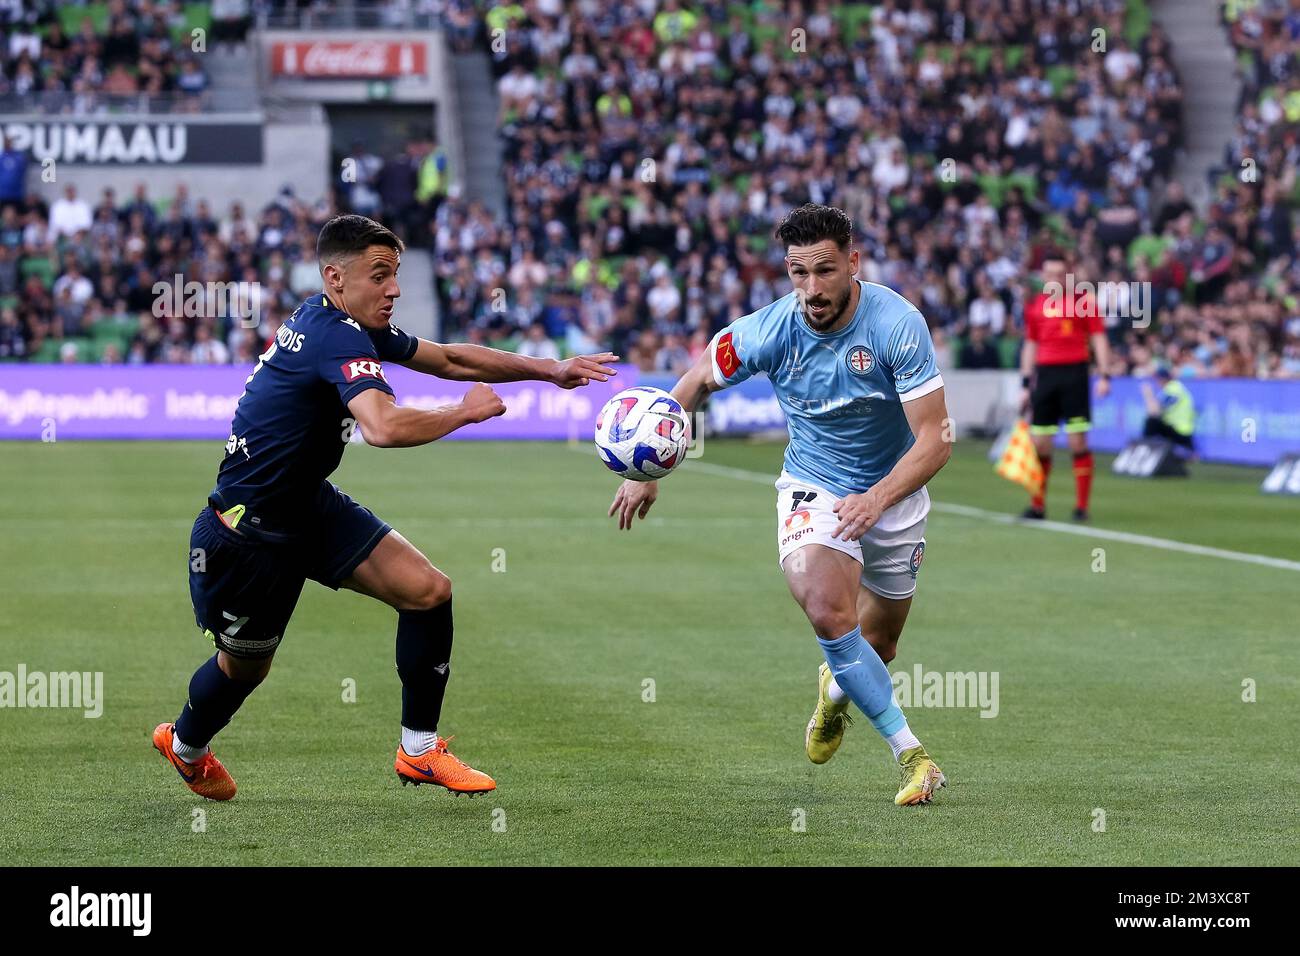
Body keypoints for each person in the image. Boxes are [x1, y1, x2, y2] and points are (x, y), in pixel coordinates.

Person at [154, 214, 617, 801]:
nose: (394, 288)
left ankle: (419, 751)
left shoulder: (340, 320)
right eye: (380, 275)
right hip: (247, 534)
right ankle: (187, 746)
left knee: (428, 591)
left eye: (395, 274)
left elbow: (447, 360)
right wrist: (463, 414)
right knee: (244, 670)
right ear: (335, 277)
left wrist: (551, 370)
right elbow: (383, 427)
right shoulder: (336, 335)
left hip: (306, 507)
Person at [608, 204, 951, 806]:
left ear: (852, 261)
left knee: (881, 646)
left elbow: (935, 437)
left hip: (892, 492)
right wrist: (650, 466)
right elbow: (693, 383)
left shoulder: (898, 324)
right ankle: (914, 757)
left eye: (824, 271)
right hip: (813, 484)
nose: (812, 289)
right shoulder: (766, 330)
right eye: (797, 273)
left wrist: (876, 497)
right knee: (824, 607)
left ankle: (836, 689)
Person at [1019, 258, 1112, 521]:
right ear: (1044, 276)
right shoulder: (1035, 306)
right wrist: (1025, 383)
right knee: (1040, 443)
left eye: (1060, 274)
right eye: (1050, 274)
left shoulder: (1084, 303)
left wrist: (1105, 374)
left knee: (1077, 441)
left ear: (1068, 275)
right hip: (1046, 375)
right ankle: (1037, 505)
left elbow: (1099, 338)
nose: (1056, 279)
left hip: (1075, 373)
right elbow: (1030, 344)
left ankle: (1082, 507)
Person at [1141, 366, 1195, 451]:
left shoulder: (1174, 389)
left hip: (1180, 431)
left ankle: (1144, 448)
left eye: (1157, 378)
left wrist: (1148, 394)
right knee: (1153, 421)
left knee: (1151, 421)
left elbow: (1154, 411)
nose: (1156, 381)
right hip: (1177, 429)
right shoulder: (1171, 388)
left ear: (1163, 379)